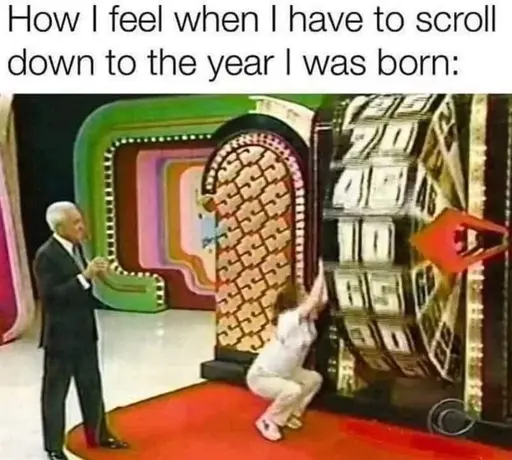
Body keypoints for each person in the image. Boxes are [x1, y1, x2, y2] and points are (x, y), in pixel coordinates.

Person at [33, 202, 129, 460]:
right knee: (55, 394)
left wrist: (93, 276)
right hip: (61, 338)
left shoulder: (76, 248)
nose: (82, 226)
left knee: (91, 386)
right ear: (59, 227)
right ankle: (53, 448)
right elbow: (51, 297)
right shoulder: (46, 255)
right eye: (75, 223)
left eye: (80, 220)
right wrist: (84, 276)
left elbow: (80, 291)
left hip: (84, 332)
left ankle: (99, 435)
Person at [246, 259, 328, 441]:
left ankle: (290, 414)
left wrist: (329, 273)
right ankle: (268, 420)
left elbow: (321, 300)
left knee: (313, 379)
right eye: (303, 295)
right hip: (262, 377)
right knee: (293, 390)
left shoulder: (307, 322)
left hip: (287, 372)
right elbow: (314, 300)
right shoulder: (288, 319)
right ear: (295, 302)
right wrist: (322, 270)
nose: (308, 297)